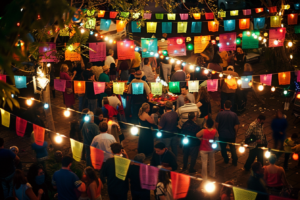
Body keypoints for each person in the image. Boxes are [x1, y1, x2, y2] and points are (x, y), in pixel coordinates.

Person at [215, 100, 239, 166]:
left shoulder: (220, 114)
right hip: (231, 135)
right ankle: (235, 160)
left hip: (222, 135)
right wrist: (235, 134)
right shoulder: (234, 115)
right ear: (231, 106)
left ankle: (226, 159)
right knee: (232, 148)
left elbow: (216, 124)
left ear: (224, 105)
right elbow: (236, 126)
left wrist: (218, 130)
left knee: (223, 148)